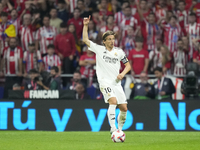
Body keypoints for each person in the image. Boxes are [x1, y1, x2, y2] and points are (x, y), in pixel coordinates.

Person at [82, 16, 131, 134]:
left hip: (116, 83)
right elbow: (85, 40)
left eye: (113, 39)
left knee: (124, 108)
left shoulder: (119, 52)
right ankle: (113, 128)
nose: (111, 41)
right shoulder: (99, 49)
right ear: (104, 41)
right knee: (113, 101)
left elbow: (128, 66)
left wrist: (122, 74)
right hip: (105, 81)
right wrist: (85, 25)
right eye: (109, 39)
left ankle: (119, 130)